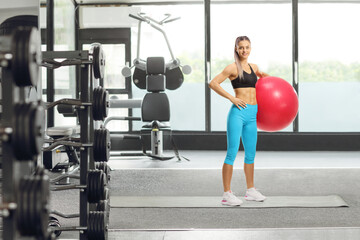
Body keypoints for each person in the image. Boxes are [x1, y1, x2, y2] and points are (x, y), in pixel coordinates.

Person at [209, 36, 269, 206]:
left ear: (251, 48)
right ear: (236, 49)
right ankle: (226, 194)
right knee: (232, 152)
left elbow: (266, 79)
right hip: (238, 114)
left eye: (247, 47)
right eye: (241, 47)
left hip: (252, 115)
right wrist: (231, 98)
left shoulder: (254, 67)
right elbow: (213, 83)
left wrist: (270, 80)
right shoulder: (232, 68)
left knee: (250, 153)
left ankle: (250, 190)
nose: (244, 50)